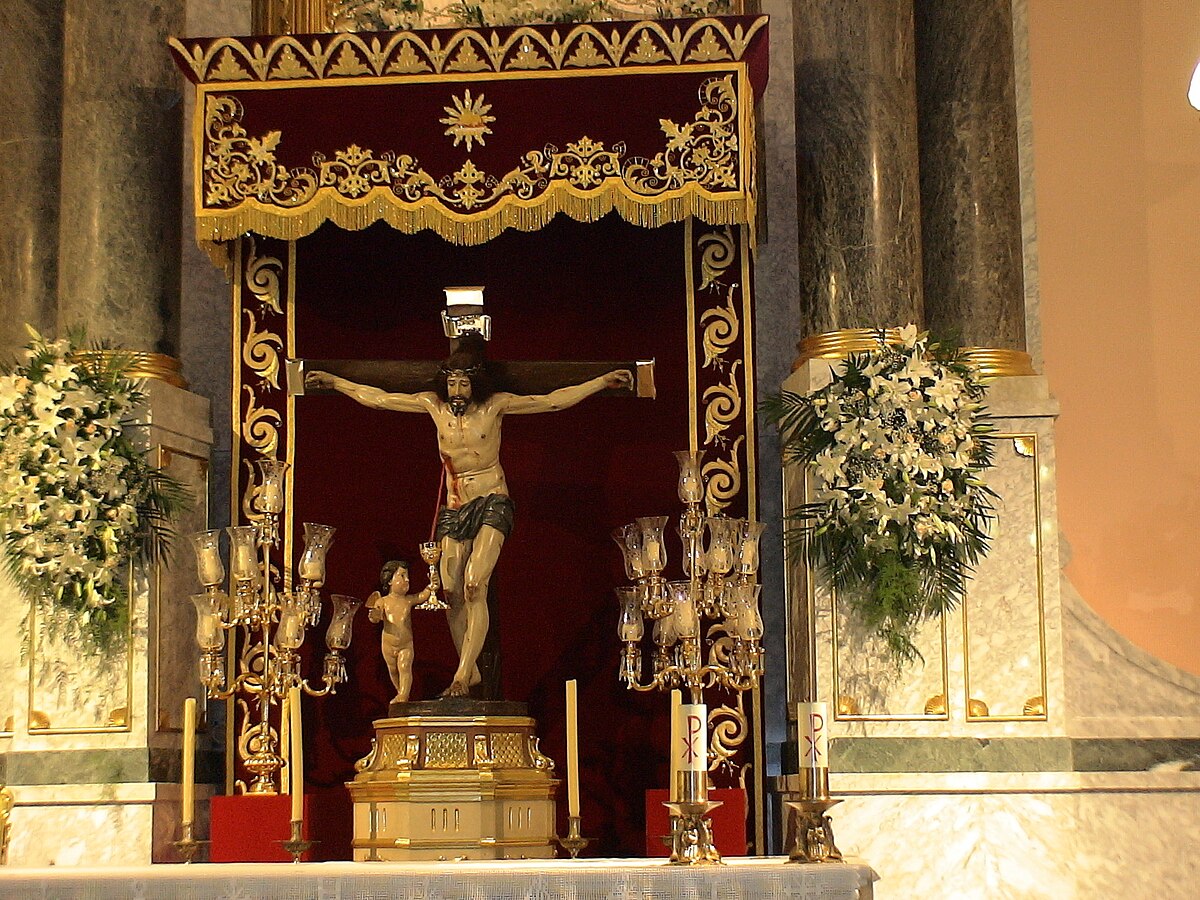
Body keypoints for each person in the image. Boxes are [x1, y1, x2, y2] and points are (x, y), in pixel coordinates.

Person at [307, 335, 631, 697]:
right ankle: (471, 668)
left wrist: (600, 382)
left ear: (476, 383)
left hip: (492, 499)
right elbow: (382, 400)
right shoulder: (434, 407)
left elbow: (551, 402)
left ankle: (461, 675)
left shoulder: (494, 407)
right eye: (452, 382)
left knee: (476, 582)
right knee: (450, 589)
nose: (457, 390)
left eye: (463, 383)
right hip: (455, 506)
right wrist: (338, 382)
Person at [366, 559, 429, 704]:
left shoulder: (408, 600)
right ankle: (400, 693)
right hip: (388, 645)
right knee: (393, 671)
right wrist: (374, 616)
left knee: (404, 667)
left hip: (406, 644)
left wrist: (432, 586)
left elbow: (422, 596)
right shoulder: (383, 601)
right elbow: (375, 616)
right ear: (389, 581)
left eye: (407, 576)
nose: (407, 580)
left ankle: (403, 695)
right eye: (402, 576)